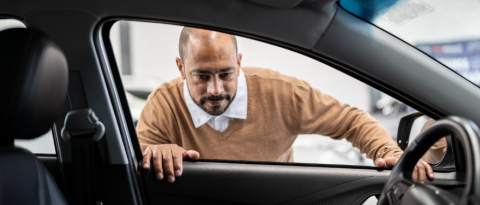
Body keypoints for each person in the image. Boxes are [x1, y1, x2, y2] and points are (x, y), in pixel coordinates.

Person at [137, 27, 434, 183]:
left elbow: (351, 121)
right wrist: (154, 152)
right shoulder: (163, 102)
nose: (215, 89)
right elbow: (134, 156)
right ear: (180, 67)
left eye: (226, 74)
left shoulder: (282, 93)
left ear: (239, 63)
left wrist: (388, 152)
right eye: (201, 76)